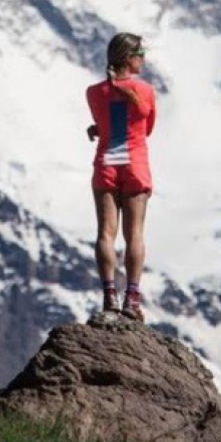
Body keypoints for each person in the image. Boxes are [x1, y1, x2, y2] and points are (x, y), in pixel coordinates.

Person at [86, 32, 156, 321]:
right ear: (129, 58)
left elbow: (108, 122)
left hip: (107, 164)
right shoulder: (145, 91)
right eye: (141, 55)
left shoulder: (94, 93)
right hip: (134, 166)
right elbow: (146, 129)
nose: (144, 60)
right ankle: (132, 299)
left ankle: (109, 295)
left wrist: (98, 129)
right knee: (134, 234)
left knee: (106, 232)